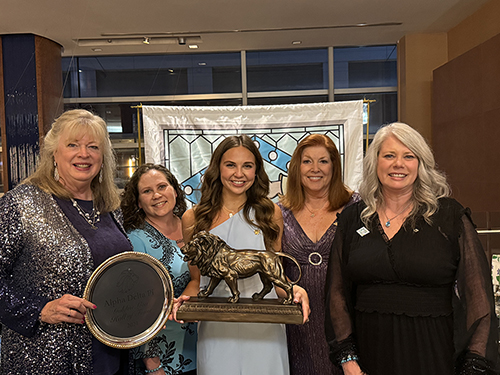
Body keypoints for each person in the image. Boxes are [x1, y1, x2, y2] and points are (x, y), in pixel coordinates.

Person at [325, 122, 499, 375]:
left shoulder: (449, 217)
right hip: (369, 355)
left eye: (409, 156)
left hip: (434, 352)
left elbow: (479, 300)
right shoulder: (353, 219)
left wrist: (473, 366)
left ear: (421, 164)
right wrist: (348, 361)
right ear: (375, 162)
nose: (399, 164)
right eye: (389, 155)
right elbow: (336, 292)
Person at [0, 109, 133, 374]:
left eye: (93, 147)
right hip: (46, 359)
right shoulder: (21, 204)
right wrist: (39, 310)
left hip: (110, 355)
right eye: (73, 144)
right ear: (54, 153)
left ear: (102, 158)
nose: (83, 154)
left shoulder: (109, 208)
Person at [179, 134, 310, 375]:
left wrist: (295, 290)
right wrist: (184, 303)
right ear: (217, 168)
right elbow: (197, 281)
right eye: (230, 164)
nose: (238, 174)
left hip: (265, 327)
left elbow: (275, 277)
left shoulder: (271, 213)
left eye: (247, 166)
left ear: (257, 171)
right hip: (216, 329)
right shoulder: (193, 218)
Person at [279, 134, 360, 375]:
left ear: (334, 166)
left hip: (347, 323)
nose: (315, 169)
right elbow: (272, 272)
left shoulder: (357, 208)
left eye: (323, 161)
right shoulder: (278, 212)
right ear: (296, 167)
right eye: (307, 162)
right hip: (296, 326)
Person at [121, 164, 197, 375]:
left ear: (174, 190)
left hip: (204, 348)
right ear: (138, 202)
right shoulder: (134, 240)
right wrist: (152, 364)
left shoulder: (194, 227)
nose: (157, 195)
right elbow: (134, 309)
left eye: (162, 186)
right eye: (147, 191)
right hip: (164, 360)